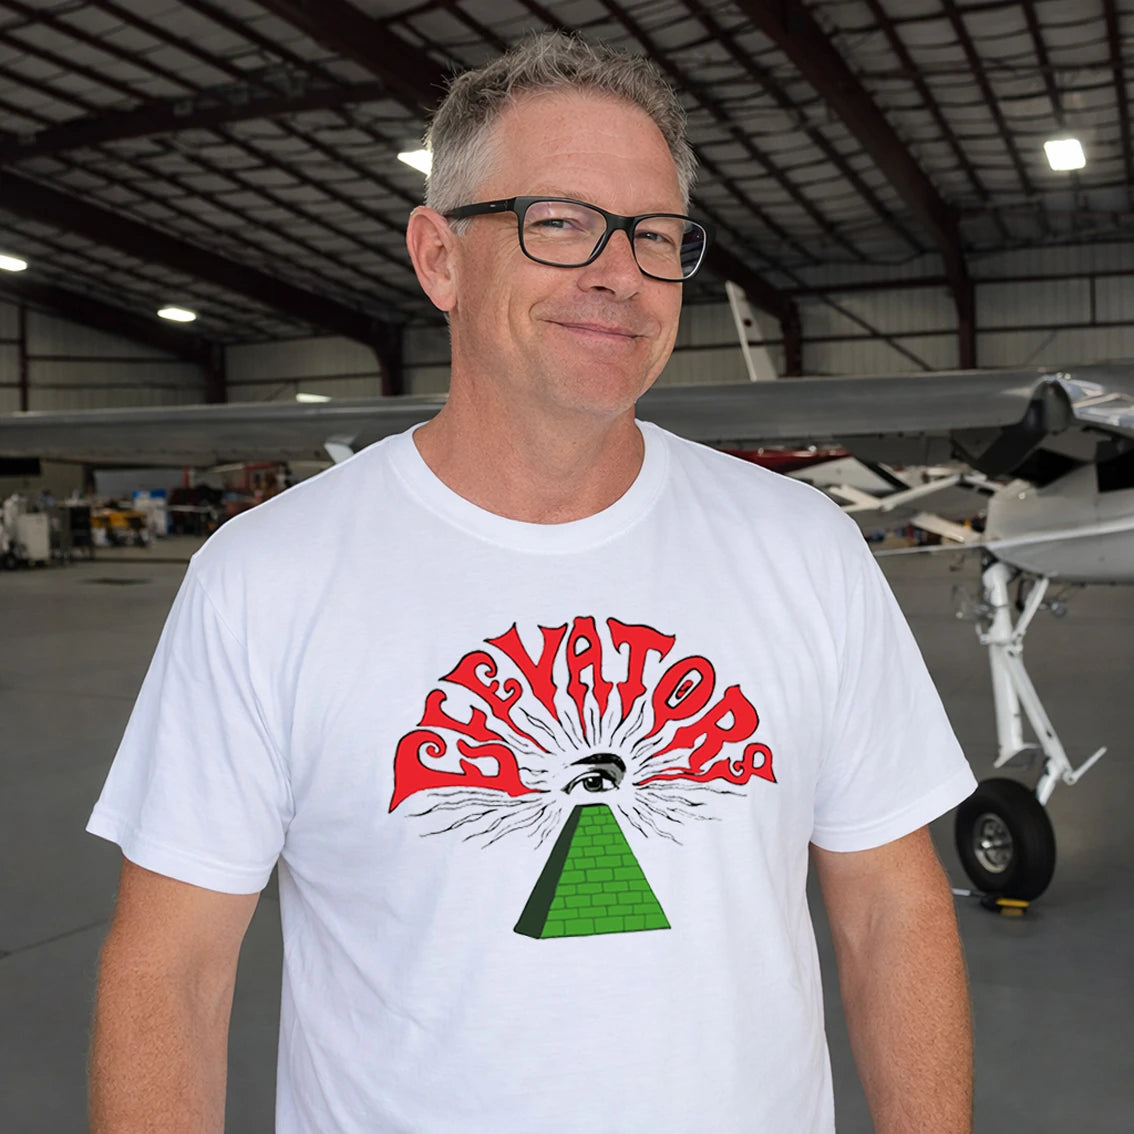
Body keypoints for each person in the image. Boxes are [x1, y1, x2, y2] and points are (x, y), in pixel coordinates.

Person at [87, 32, 975, 1134]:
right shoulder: (267, 578)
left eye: (656, 236)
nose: (619, 274)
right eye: (558, 221)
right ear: (439, 257)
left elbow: (892, 906)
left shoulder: (805, 550)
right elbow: (172, 974)